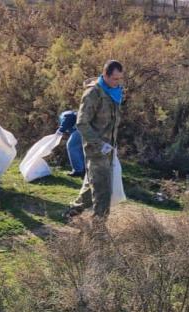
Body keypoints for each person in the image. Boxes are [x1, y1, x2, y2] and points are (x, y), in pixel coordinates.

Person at [65, 60, 124, 228]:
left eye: (120, 79)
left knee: (93, 186)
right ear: (105, 75)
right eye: (114, 78)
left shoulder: (115, 92)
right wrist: (99, 145)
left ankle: (72, 211)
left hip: (109, 148)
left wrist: (112, 144)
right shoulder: (93, 93)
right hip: (96, 150)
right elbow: (82, 123)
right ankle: (98, 230)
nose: (117, 82)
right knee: (103, 192)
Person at [57, 110, 85, 177]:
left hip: (80, 129)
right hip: (84, 129)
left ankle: (78, 170)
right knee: (79, 149)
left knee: (71, 146)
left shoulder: (65, 114)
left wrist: (60, 130)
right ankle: (83, 169)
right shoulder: (73, 114)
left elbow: (66, 121)